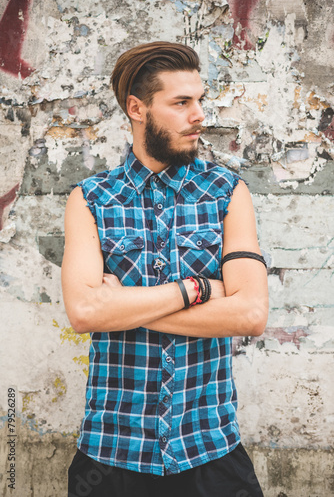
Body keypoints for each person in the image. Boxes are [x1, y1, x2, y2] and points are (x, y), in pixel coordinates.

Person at [62, 41, 269, 497]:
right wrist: (196, 290)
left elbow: (250, 315)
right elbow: (83, 313)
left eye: (199, 100)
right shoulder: (90, 200)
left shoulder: (227, 194)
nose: (199, 115)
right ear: (137, 108)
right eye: (181, 103)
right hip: (111, 456)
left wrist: (121, 306)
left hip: (211, 453)